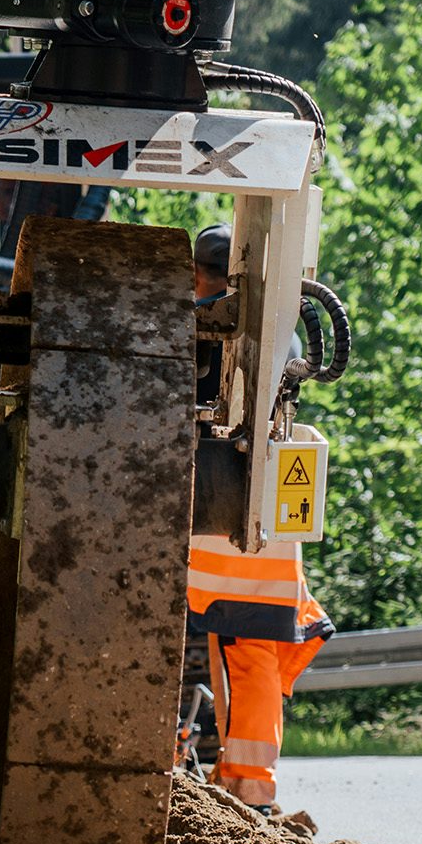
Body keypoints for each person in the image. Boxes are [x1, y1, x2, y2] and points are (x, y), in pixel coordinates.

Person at [183, 224, 332, 811]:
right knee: (258, 652)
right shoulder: (284, 331)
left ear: (199, 272)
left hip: (217, 523)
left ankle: (240, 786)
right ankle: (251, 784)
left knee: (230, 648)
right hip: (267, 520)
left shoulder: (201, 321)